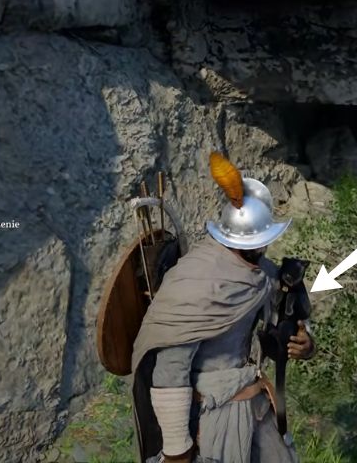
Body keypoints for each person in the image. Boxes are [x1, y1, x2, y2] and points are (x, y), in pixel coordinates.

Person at [131, 156, 314, 463]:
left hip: (252, 398)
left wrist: (304, 342)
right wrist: (177, 450)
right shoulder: (195, 281)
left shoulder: (259, 270)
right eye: (257, 243)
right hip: (209, 415)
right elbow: (171, 367)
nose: (263, 249)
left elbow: (282, 313)